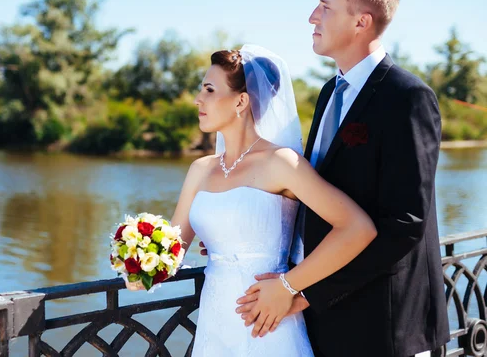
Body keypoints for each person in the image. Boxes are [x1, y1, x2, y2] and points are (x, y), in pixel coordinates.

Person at [235, 0, 450, 357]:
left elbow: (406, 225)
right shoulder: (329, 92)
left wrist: (303, 292)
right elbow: (318, 191)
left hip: (383, 324)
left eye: (324, 7)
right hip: (327, 315)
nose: (312, 17)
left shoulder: (407, 98)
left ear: (361, 22)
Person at [128, 44, 377, 356]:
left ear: (241, 101)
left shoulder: (281, 162)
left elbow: (357, 227)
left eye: (208, 89)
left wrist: (289, 286)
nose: (198, 99)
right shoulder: (200, 170)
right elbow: (173, 249)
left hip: (268, 321)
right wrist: (138, 266)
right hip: (215, 323)